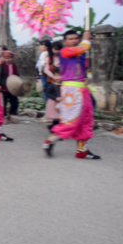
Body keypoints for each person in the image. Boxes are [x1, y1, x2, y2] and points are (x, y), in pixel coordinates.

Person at [43, 30, 100, 159]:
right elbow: (82, 48)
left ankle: (82, 150)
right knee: (71, 120)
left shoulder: (82, 54)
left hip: (84, 89)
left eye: (76, 38)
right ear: (65, 41)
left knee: (86, 120)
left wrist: (88, 77)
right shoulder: (65, 51)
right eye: (70, 39)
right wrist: (86, 40)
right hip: (72, 91)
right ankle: (49, 141)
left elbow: (88, 68)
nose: (73, 41)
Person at [43, 41, 62, 131]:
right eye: (55, 49)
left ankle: (55, 126)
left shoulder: (63, 58)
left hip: (62, 82)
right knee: (52, 105)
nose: (57, 51)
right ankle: (54, 126)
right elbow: (46, 70)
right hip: (52, 81)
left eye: (58, 49)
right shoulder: (49, 58)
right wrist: (54, 77)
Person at [0, 46, 19, 124]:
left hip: (12, 87)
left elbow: (16, 74)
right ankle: (2, 117)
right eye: (6, 58)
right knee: (3, 103)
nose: (8, 59)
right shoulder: (2, 65)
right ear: (3, 58)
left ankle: (9, 116)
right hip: (4, 87)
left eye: (9, 58)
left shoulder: (13, 65)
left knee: (14, 102)